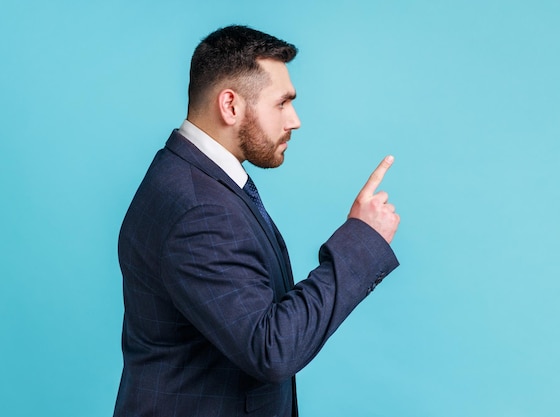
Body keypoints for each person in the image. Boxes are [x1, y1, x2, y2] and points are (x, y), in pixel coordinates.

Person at [113, 25, 400, 417]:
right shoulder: (199, 208)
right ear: (230, 106)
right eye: (282, 103)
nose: (295, 120)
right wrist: (362, 241)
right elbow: (272, 348)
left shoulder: (192, 177)